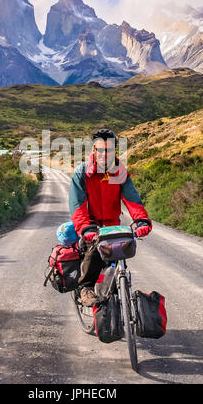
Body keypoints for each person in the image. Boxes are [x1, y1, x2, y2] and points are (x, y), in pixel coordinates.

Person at [69, 128, 152, 306]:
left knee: (117, 264)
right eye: (101, 150)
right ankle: (86, 287)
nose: (105, 154)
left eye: (109, 150)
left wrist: (141, 220)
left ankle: (116, 299)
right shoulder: (82, 173)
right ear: (93, 150)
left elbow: (132, 199)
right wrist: (85, 227)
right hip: (91, 225)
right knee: (94, 250)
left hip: (113, 226)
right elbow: (77, 206)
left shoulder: (119, 171)